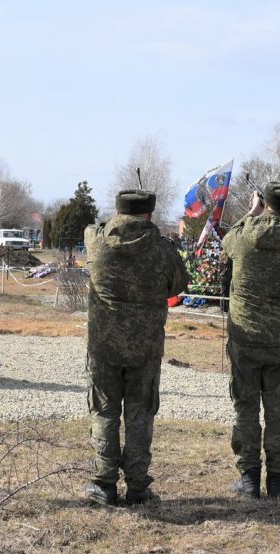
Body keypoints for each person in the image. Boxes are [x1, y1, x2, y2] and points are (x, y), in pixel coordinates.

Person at [84, 190, 189, 506]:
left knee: (104, 412)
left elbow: (92, 228)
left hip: (103, 346)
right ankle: (138, 486)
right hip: (145, 347)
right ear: (150, 214)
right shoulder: (163, 250)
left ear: (117, 211)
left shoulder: (98, 241)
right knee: (140, 415)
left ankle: (104, 484)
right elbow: (179, 284)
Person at [223, 183, 280, 499]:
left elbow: (226, 243)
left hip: (245, 337)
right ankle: (276, 481)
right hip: (279, 340)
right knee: (277, 410)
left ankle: (249, 478)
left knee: (246, 408)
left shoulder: (244, 233)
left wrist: (252, 212)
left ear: (267, 203)